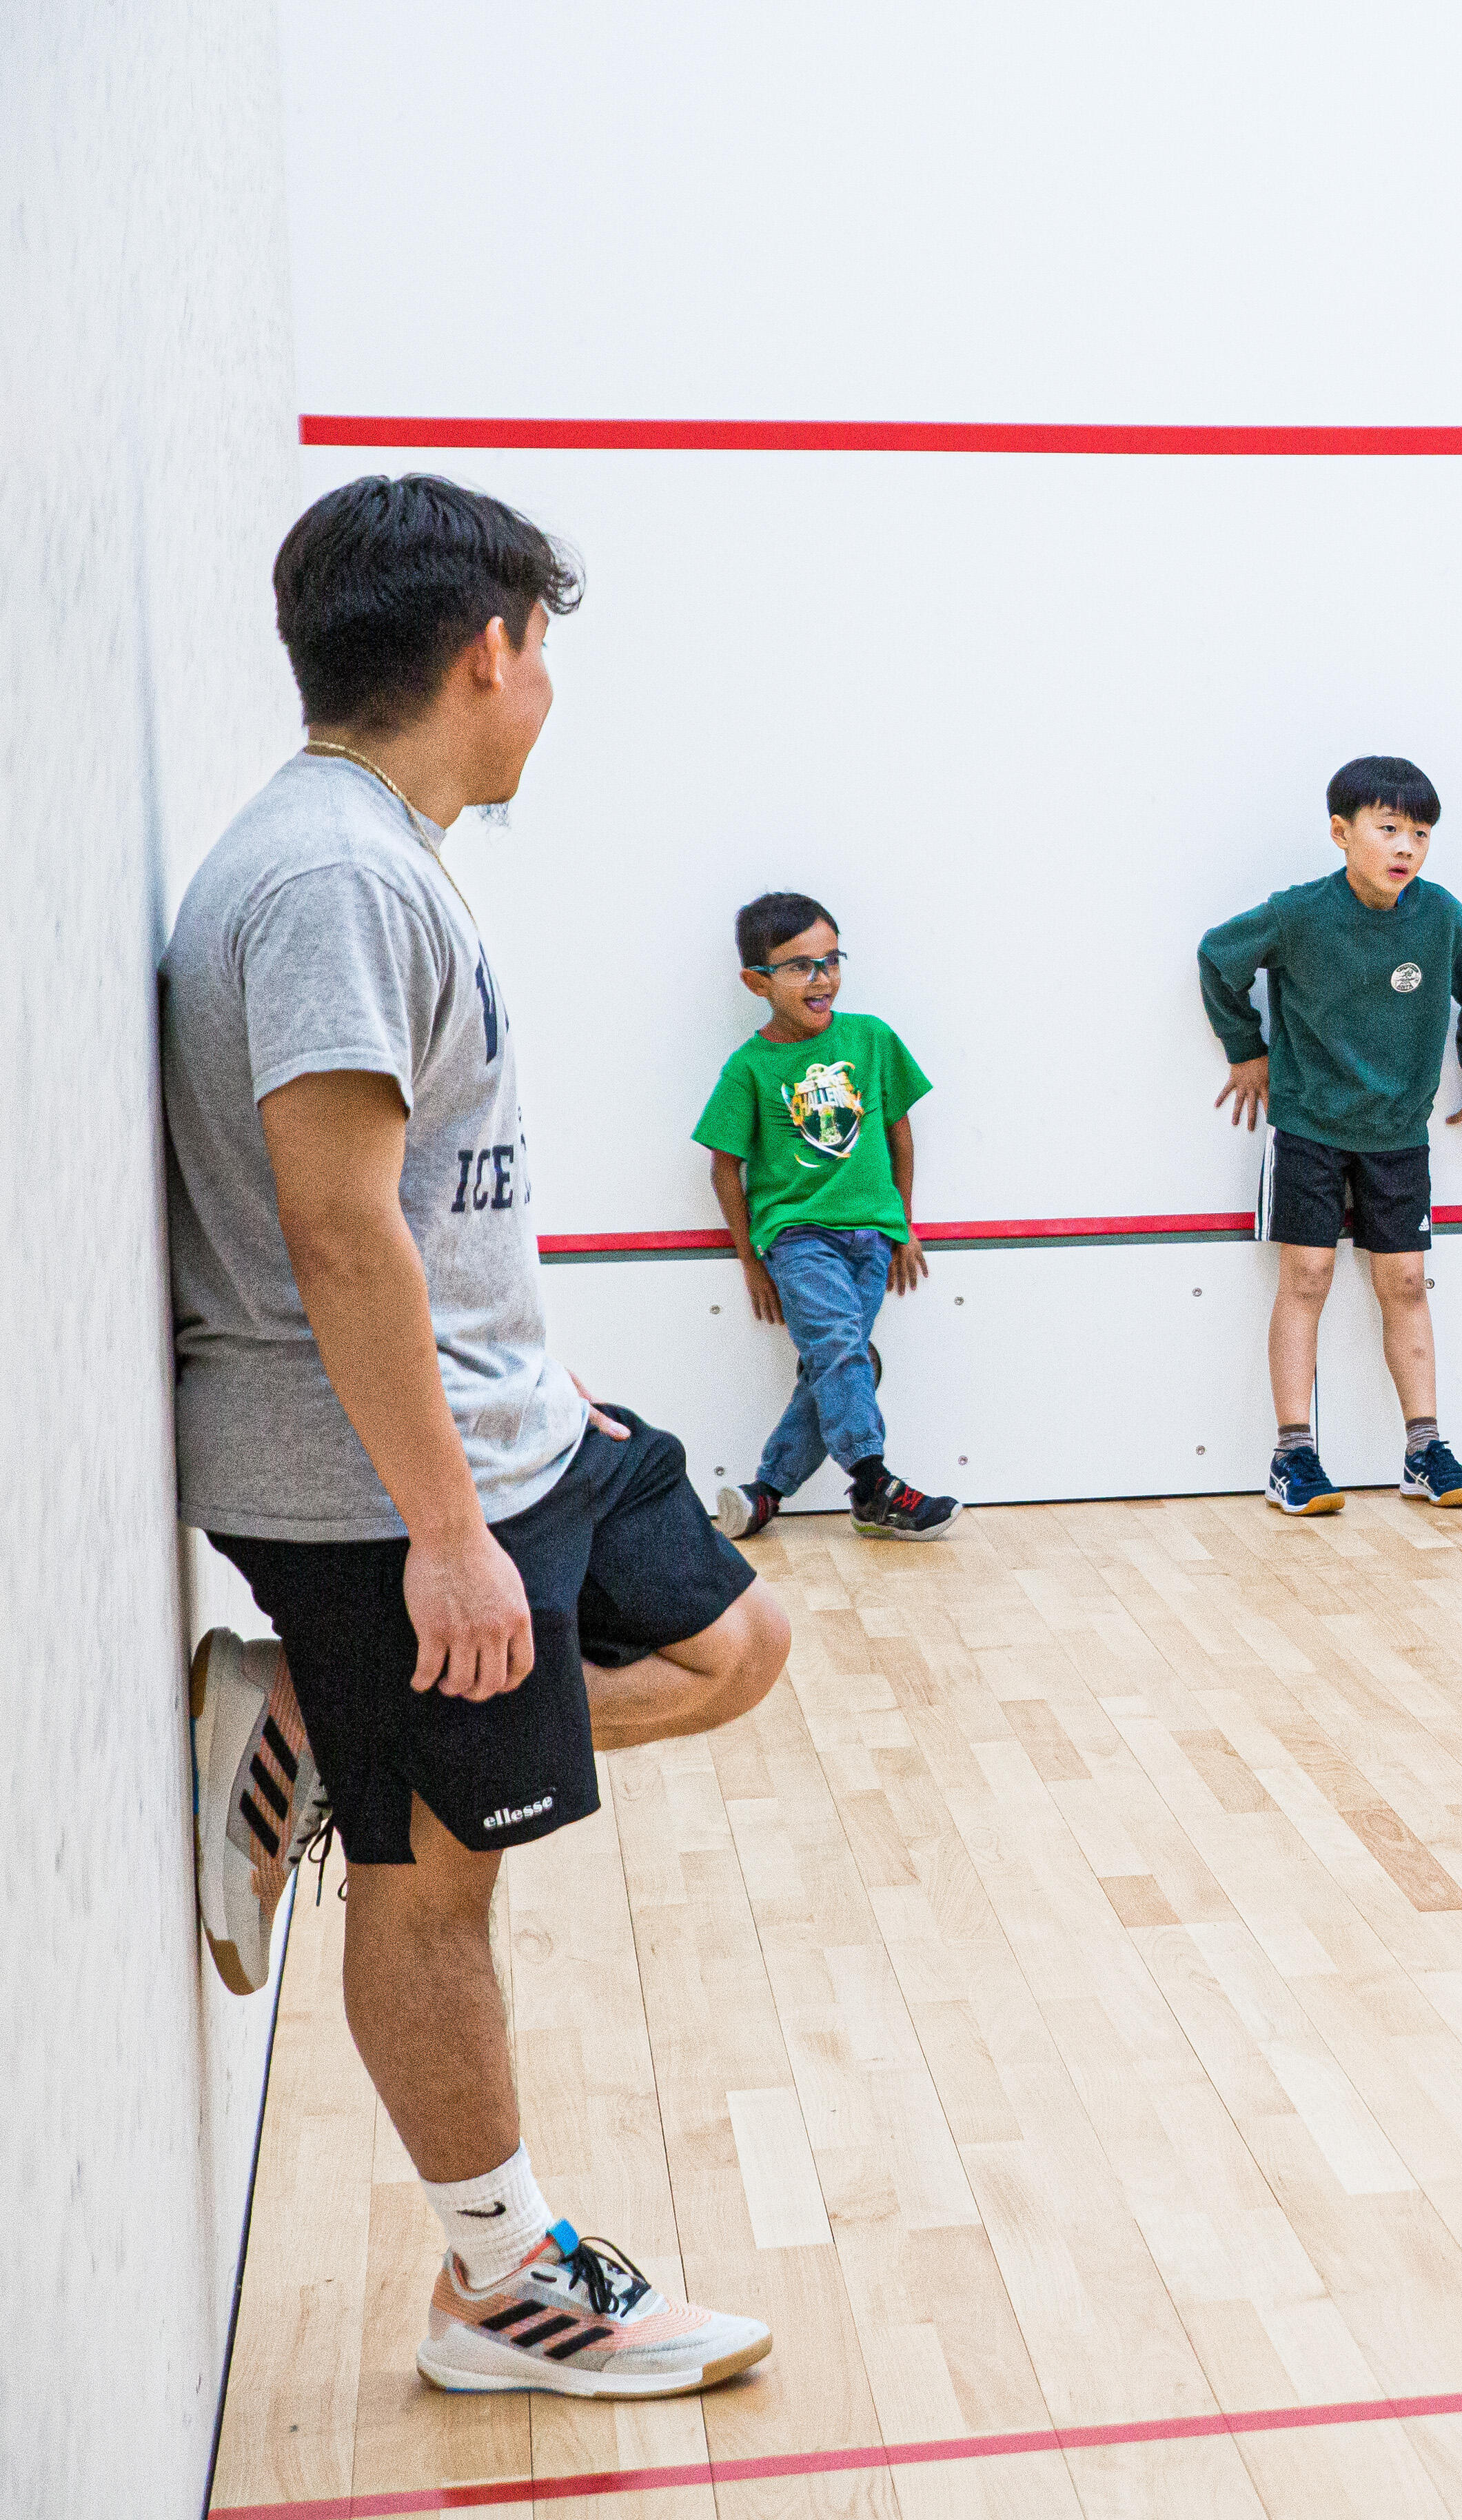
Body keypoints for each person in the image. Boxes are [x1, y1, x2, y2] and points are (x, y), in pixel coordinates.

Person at [164, 474, 784, 2397]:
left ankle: (320, 1731)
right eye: (546, 656)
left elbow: (424, 1202)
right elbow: (337, 1225)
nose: (547, 696)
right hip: (384, 1490)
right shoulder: (335, 880)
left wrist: (536, 1398)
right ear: (492, 648)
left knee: (734, 1643)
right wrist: (444, 1532)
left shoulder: (382, 847)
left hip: (515, 1430)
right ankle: (498, 2287)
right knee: (443, 1888)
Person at [1201, 755, 1462, 1514]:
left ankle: (1424, 1449)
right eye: (1388, 828)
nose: (1406, 845)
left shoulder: (1441, 915)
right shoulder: (1300, 913)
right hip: (1308, 1128)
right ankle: (1292, 1455)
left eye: (1420, 832)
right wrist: (1247, 1048)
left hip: (1398, 1136)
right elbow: (1219, 957)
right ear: (1342, 833)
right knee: (1305, 1277)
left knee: (1405, 1283)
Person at [694, 891, 957, 1541]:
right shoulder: (749, 1068)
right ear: (756, 982)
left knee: (836, 1364)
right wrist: (752, 1261)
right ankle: (876, 1482)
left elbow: (899, 1134)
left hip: (872, 1238)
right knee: (843, 1352)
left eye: (831, 960)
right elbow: (724, 1167)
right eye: (800, 966)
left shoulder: (872, 1039)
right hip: (798, 1240)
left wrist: (904, 1224)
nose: (822, 979)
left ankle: (765, 1494)